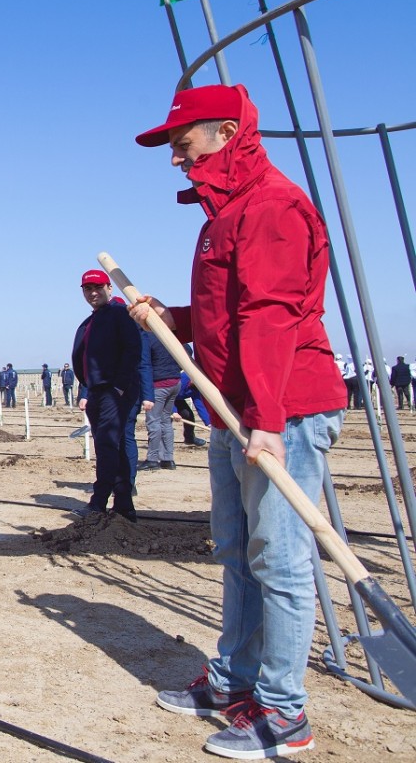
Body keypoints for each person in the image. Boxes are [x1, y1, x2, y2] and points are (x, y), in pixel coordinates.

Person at [132, 83, 346, 759]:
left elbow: (272, 319)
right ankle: (234, 682)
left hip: (283, 410)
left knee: (278, 560)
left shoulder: (274, 207)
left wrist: (269, 420)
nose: (175, 158)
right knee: (235, 552)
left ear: (226, 133)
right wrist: (176, 321)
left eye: (181, 143)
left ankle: (284, 715)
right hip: (234, 411)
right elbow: (230, 317)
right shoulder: (222, 217)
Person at [72, 270, 143, 521]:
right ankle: (124, 505)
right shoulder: (91, 320)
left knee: (108, 446)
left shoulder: (119, 314)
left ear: (109, 288)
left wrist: (119, 386)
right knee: (113, 447)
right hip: (97, 391)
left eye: (97, 287)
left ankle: (99, 503)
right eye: (87, 289)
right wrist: (87, 388)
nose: (93, 293)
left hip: (114, 390)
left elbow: (133, 349)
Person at [139, 329, 181, 472]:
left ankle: (152, 459)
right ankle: (168, 459)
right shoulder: (170, 335)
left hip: (158, 384)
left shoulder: (148, 337)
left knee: (153, 421)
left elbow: (144, 362)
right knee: (165, 421)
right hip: (175, 382)